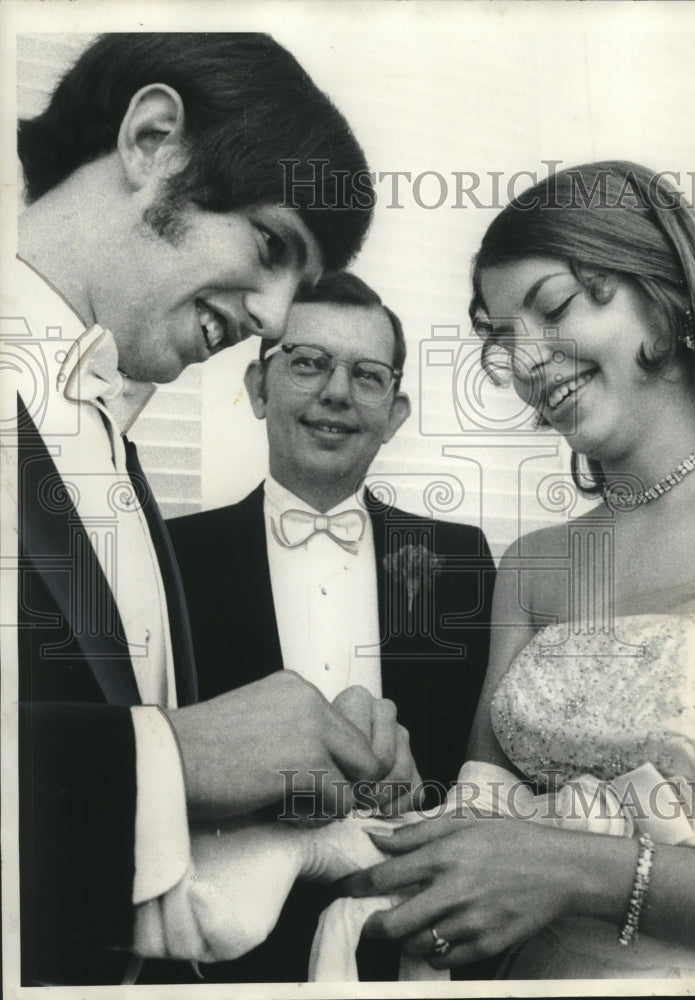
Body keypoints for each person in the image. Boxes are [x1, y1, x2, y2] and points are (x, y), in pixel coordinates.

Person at [5, 33, 418, 987]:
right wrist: (179, 754)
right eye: (271, 246)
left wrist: (279, 825)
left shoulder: (113, 442)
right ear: (153, 139)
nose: (273, 321)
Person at [342, 161, 695, 979]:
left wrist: (586, 872)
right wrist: (373, 804)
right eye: (503, 339)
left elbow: (537, 862)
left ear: (667, 292)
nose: (527, 360)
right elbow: (481, 838)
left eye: (556, 306)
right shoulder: (535, 565)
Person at [165, 271, 496, 981]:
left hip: (404, 938)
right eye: (308, 362)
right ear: (258, 388)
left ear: (396, 411)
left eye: (367, 375)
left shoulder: (459, 559)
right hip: (218, 956)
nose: (337, 393)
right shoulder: (171, 557)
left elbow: (480, 772)